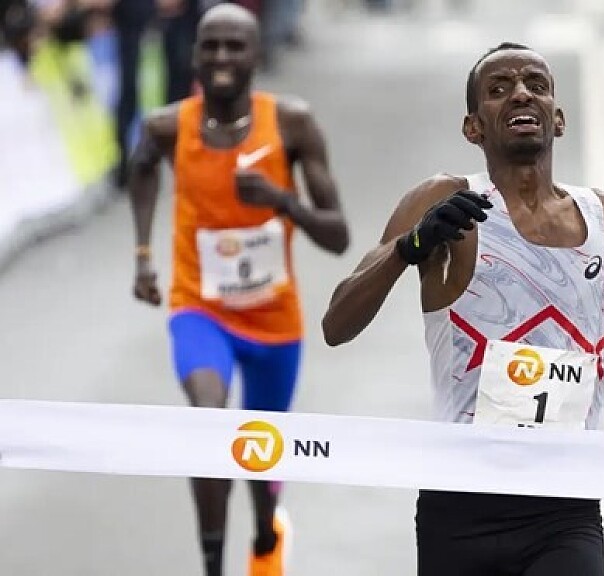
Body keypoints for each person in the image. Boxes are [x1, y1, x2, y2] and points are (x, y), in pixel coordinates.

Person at [321, 42, 604, 575]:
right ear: (473, 127)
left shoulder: (603, 215)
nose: (521, 94)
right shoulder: (444, 200)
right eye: (499, 89)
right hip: (462, 500)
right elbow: (337, 323)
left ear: (558, 118)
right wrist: (410, 247)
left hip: (565, 503)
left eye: (536, 85)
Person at [127, 4, 349, 576]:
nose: (222, 56)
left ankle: (265, 534)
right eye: (211, 45)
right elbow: (142, 165)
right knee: (209, 424)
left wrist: (282, 201)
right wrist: (144, 254)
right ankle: (212, 565)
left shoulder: (292, 124)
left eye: (235, 45)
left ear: (256, 53)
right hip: (200, 309)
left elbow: (338, 235)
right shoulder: (168, 126)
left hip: (274, 320)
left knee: (259, 454)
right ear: (195, 54)